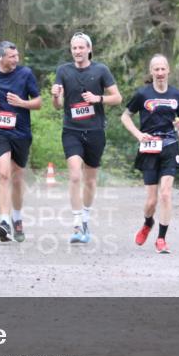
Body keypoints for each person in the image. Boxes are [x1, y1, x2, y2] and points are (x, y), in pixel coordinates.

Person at [50, 33, 122, 244]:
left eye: (81, 48)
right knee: (74, 175)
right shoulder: (63, 71)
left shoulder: (100, 70)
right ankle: (76, 223)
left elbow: (117, 98)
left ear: (89, 49)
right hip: (71, 130)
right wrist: (55, 95)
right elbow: (57, 105)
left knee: (90, 179)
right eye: (74, 48)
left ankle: (86, 218)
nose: (78, 51)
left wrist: (98, 98)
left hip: (95, 131)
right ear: (71, 50)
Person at [120, 54, 179, 254]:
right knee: (151, 201)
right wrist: (139, 135)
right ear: (151, 72)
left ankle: (161, 239)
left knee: (166, 194)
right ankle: (148, 223)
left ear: (168, 71)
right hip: (149, 147)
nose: (159, 73)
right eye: (155, 69)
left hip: (169, 146)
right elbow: (125, 116)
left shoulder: (177, 95)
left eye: (162, 69)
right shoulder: (142, 94)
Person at [0, 41, 42, 243]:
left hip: (21, 133)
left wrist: (22, 103)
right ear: (0, 57)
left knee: (16, 179)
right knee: (3, 173)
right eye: (12, 56)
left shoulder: (25, 74)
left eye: (17, 56)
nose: (16, 59)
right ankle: (4, 221)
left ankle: (17, 219)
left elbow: (38, 102)